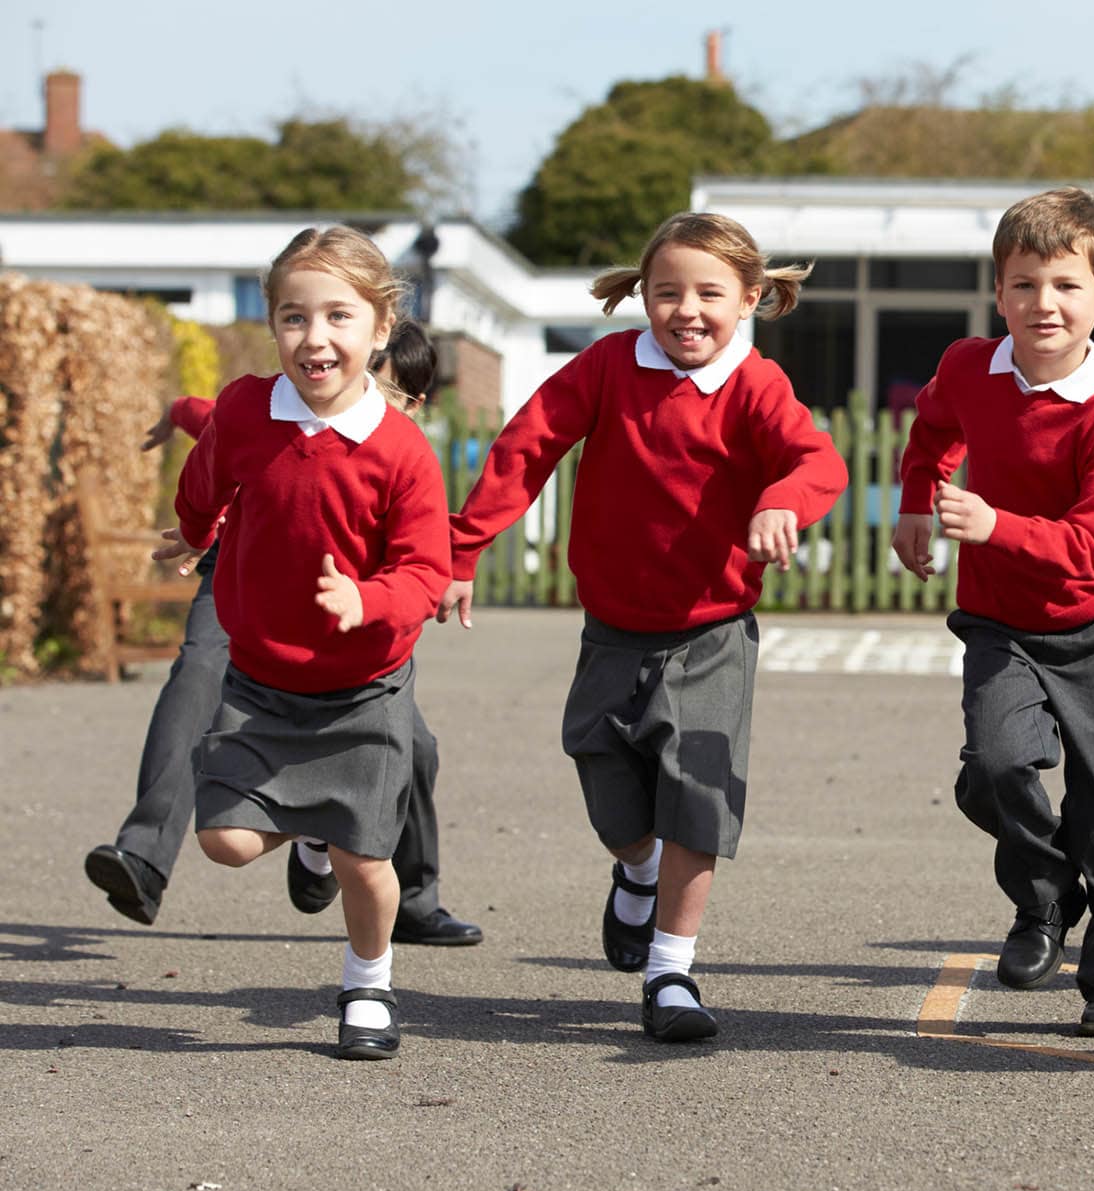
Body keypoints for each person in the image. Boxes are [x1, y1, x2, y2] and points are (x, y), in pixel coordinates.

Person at [437, 212, 847, 1042]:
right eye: (667, 292)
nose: (686, 311)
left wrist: (781, 502)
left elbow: (818, 462)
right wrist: (462, 547)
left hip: (712, 633)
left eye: (709, 294)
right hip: (614, 630)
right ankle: (637, 873)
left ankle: (672, 974)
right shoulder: (609, 367)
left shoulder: (755, 386)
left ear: (751, 299)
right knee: (615, 803)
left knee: (698, 796)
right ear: (643, 296)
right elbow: (526, 447)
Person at [84, 320, 482, 947]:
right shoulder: (273, 408)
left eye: (387, 390)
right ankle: (144, 854)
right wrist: (176, 415)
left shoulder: (397, 452)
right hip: (249, 576)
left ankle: (406, 895)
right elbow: (213, 420)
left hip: (349, 604)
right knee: (197, 678)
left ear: (413, 402)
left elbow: (425, 552)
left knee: (417, 748)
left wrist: (425, 581)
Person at [155, 226, 453, 1060]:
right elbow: (207, 474)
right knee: (224, 841)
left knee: (366, 860)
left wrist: (370, 599)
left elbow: (425, 568)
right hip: (259, 680)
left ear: (380, 326)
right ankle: (312, 832)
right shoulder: (248, 408)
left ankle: (368, 985)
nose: (314, 338)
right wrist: (191, 530)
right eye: (293, 317)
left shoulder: (399, 450)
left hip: (364, 687)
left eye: (337, 317)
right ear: (271, 322)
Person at [894, 187, 1094, 1038]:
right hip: (1001, 622)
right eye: (1022, 284)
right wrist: (915, 501)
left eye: (1064, 284)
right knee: (998, 767)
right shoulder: (972, 366)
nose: (1042, 304)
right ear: (998, 292)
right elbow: (933, 425)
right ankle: (1045, 899)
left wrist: (992, 524)